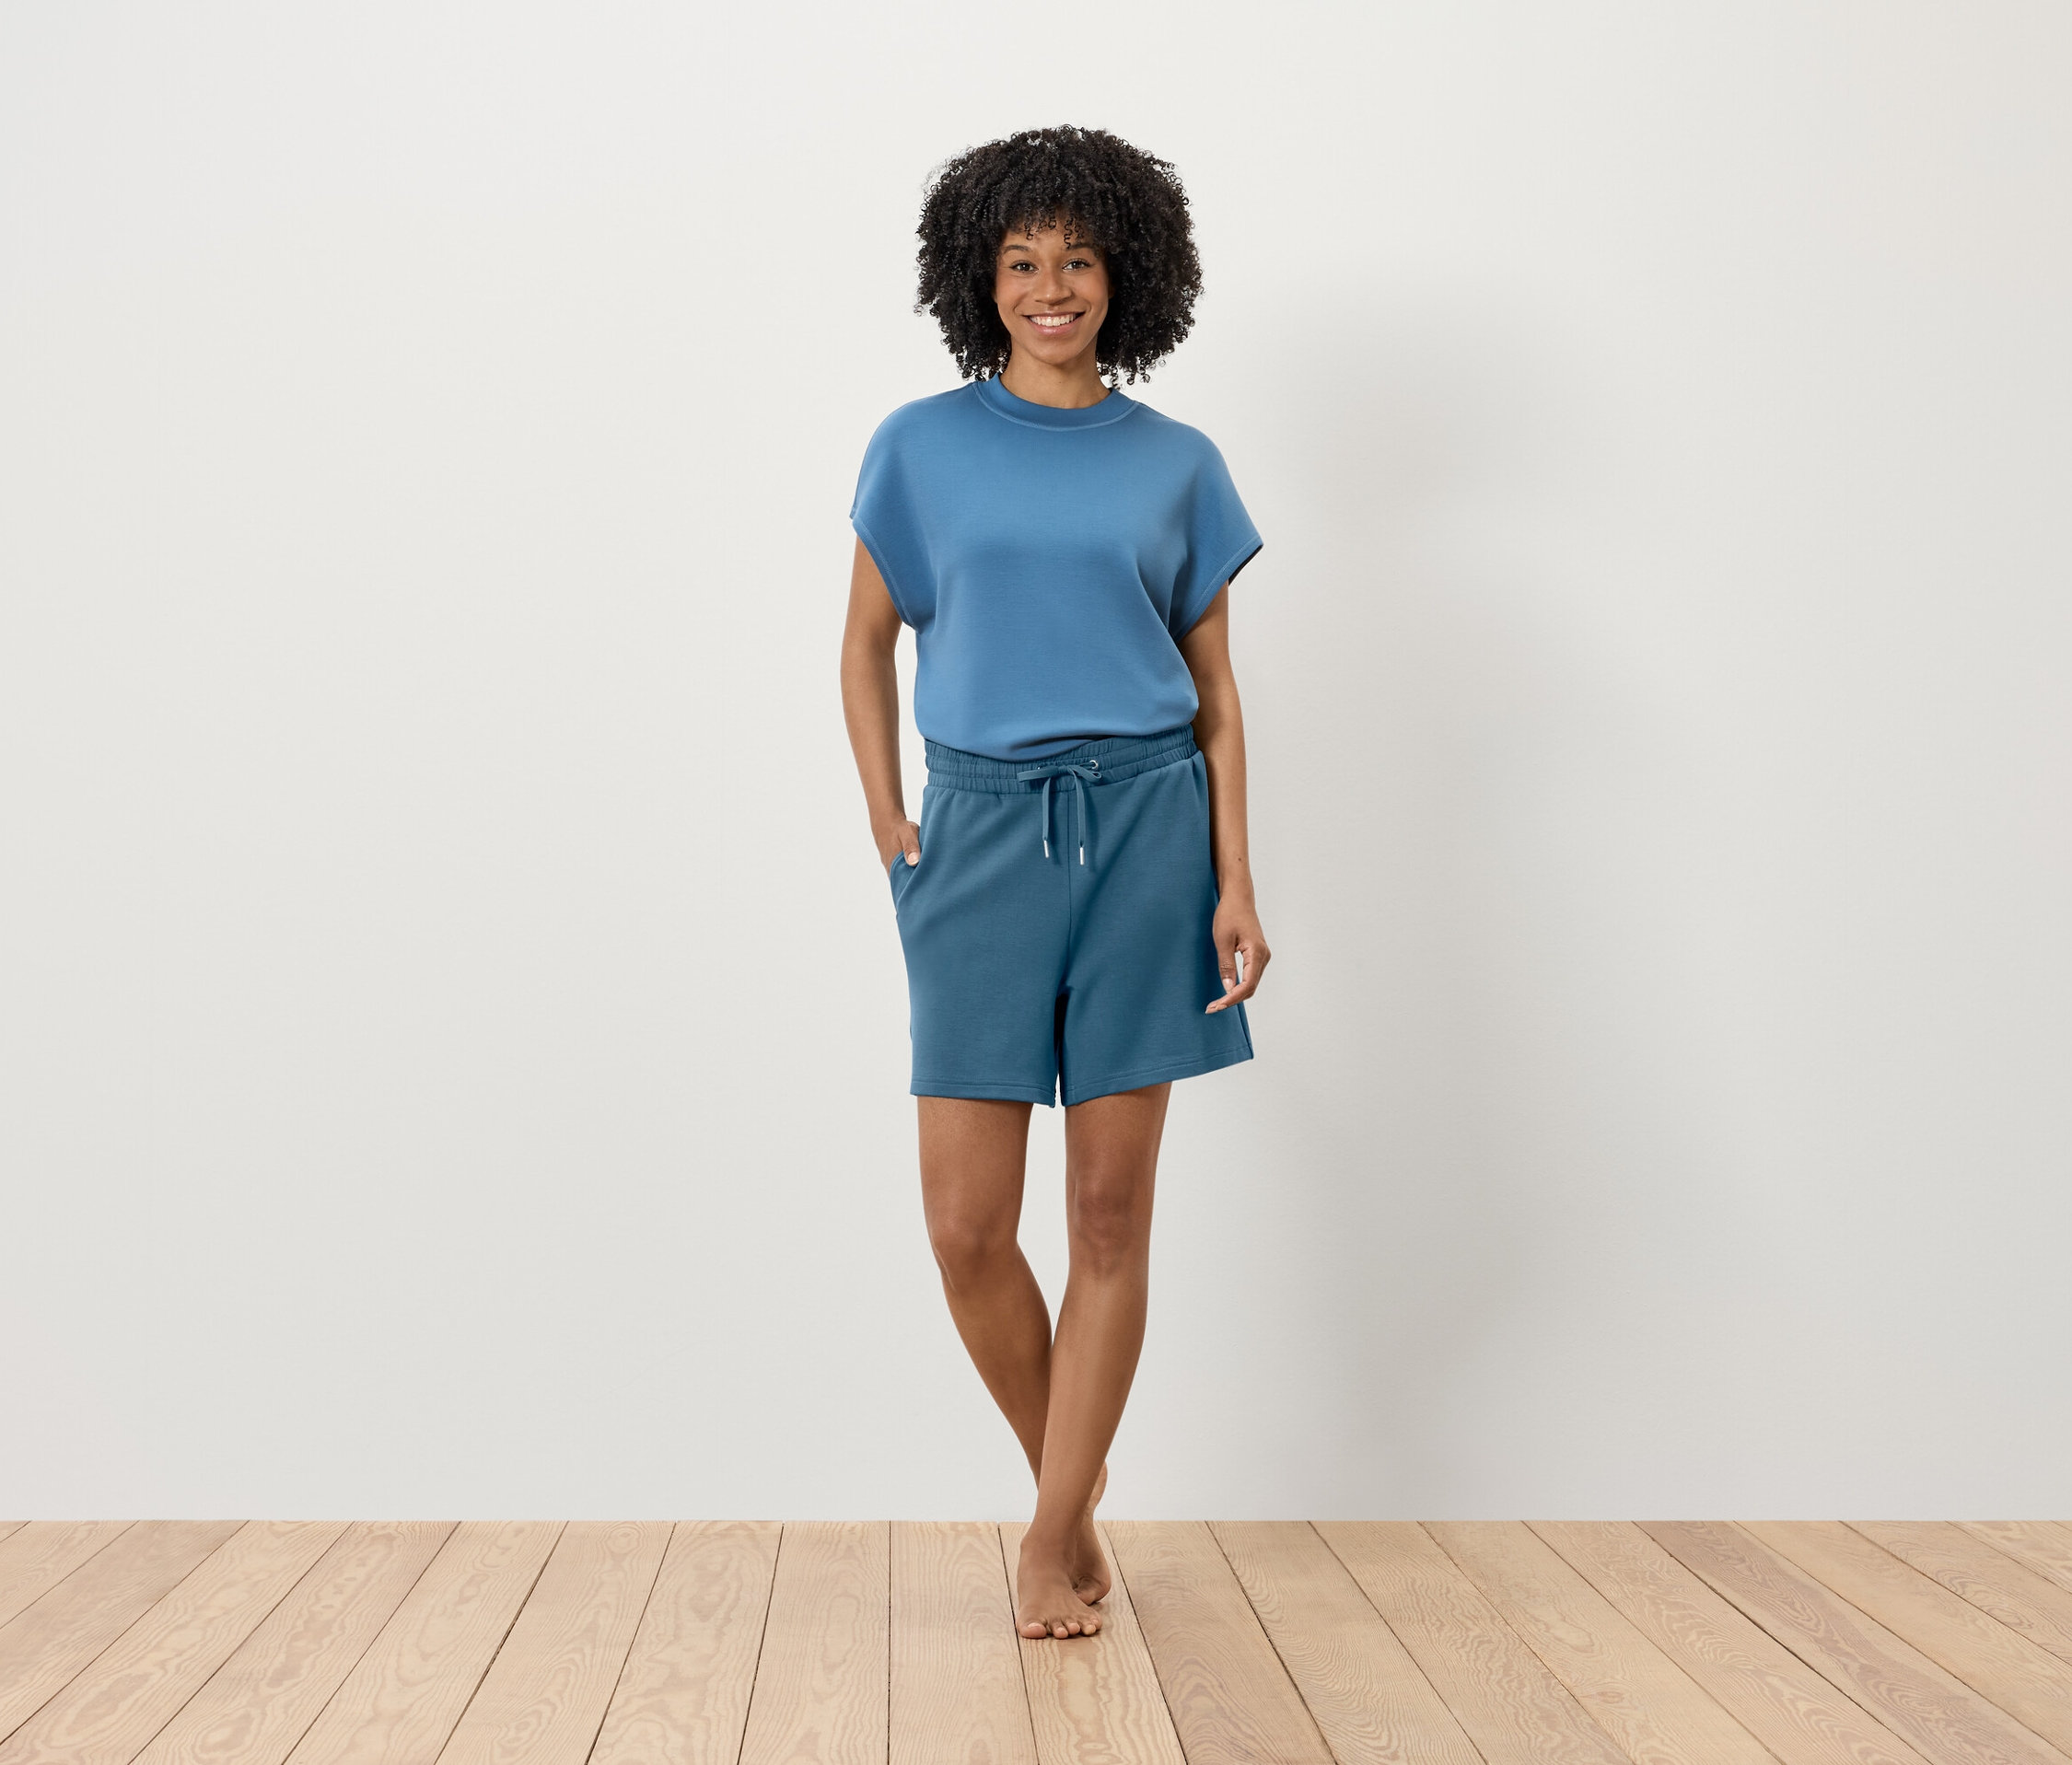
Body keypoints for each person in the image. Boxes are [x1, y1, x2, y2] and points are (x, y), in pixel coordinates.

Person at [839, 125, 1271, 1642]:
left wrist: (1234, 878)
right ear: (980, 276)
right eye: (1020, 262)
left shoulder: (1178, 465)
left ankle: (1042, 1540)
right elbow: (866, 641)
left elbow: (1217, 695)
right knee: (965, 1224)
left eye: (1076, 260)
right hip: (976, 839)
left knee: (1105, 1217)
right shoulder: (916, 444)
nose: (1049, 288)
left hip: (1149, 834)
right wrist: (891, 815)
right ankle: (1071, 1504)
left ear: (1124, 273)